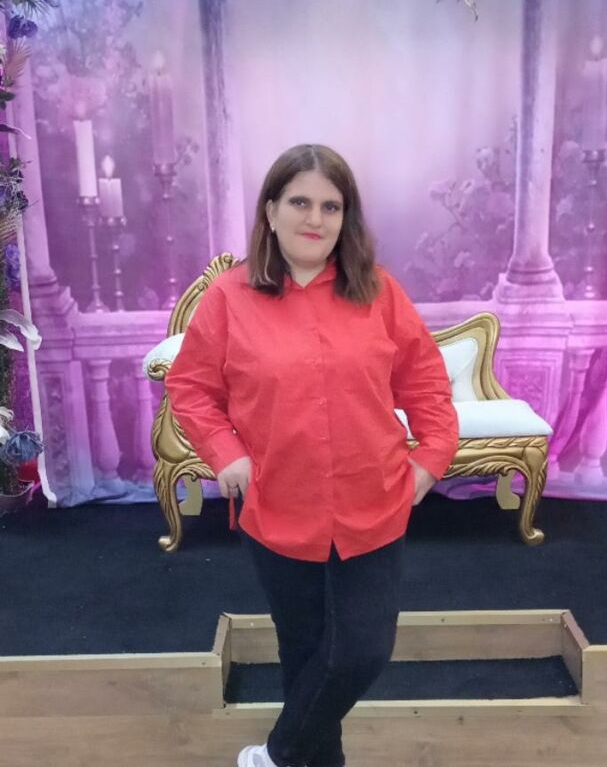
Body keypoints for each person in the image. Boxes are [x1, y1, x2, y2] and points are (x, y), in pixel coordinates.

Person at [164, 144, 459, 767]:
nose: (315, 218)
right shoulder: (230, 297)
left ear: (345, 218)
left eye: (331, 206)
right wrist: (225, 453)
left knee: (361, 649)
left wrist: (431, 458)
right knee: (303, 653)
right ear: (271, 211)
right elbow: (189, 387)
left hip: (374, 501)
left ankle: (273, 756)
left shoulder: (379, 292)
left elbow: (427, 384)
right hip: (276, 504)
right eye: (300, 201)